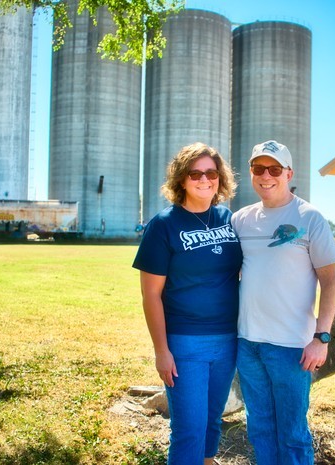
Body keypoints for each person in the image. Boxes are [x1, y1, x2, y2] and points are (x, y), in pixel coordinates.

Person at [231, 140, 335, 464]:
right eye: (258, 168)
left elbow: (330, 282)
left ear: (288, 173)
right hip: (247, 344)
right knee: (260, 428)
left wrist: (321, 338)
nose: (266, 175)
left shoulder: (310, 217)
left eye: (274, 169)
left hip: (292, 348)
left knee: (292, 434)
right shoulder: (240, 220)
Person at [132, 142, 242, 465]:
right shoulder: (163, 226)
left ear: (220, 179)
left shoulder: (229, 220)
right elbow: (150, 295)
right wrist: (161, 350)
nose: (204, 180)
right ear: (182, 179)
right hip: (185, 344)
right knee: (188, 430)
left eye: (211, 173)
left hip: (227, 341)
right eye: (196, 173)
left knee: (211, 422)